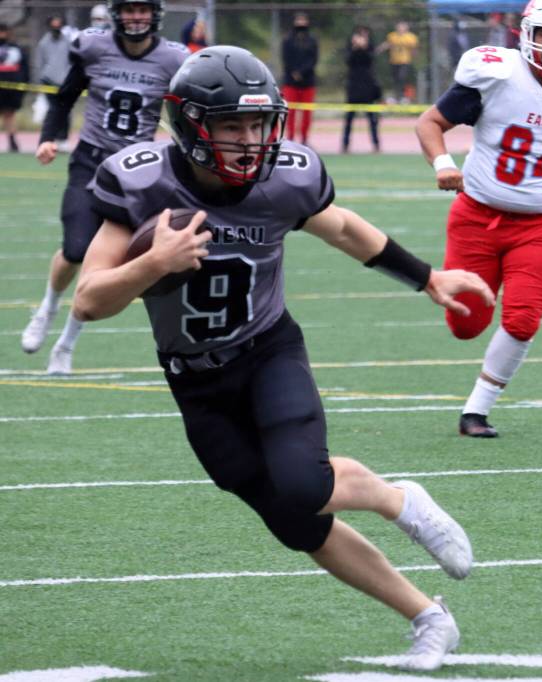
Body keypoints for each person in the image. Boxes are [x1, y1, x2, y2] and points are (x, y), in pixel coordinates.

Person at [74, 45, 494, 672]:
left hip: (268, 350)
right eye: (230, 127)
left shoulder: (286, 178)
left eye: (256, 125)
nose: (249, 142)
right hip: (193, 380)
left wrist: (427, 278)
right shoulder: (140, 180)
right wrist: (153, 264)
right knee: (294, 522)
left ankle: (397, 498)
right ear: (190, 124)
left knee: (304, 483)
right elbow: (87, 301)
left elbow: (344, 228)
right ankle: (429, 618)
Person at [415, 0, 542, 438]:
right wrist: (443, 165)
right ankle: (475, 390)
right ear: (526, 32)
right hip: (476, 216)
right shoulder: (495, 74)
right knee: (466, 324)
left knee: (524, 316)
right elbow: (430, 123)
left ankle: (476, 411)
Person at [21, 0, 188, 374]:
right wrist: (49, 137)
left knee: (107, 263)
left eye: (143, 9)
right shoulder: (93, 46)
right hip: (91, 161)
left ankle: (66, 345)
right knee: (76, 248)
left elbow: (186, 109)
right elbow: (65, 97)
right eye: (129, 9)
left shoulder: (173, 59)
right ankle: (47, 307)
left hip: (137, 173)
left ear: (155, 14)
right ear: (116, 13)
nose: (136, 17)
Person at [35, 16, 72, 151]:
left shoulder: (68, 41)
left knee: (65, 111)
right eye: (53, 26)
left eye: (58, 26)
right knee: (52, 110)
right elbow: (40, 63)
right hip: (49, 81)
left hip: (66, 82)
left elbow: (72, 61)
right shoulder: (43, 43)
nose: (56, 29)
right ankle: (50, 139)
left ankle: (64, 138)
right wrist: (41, 80)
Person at [281, 12, 318, 145]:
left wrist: (302, 72)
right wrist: (294, 72)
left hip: (308, 81)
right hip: (291, 81)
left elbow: (313, 59)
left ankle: (304, 139)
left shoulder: (312, 40)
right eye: (298, 20)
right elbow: (286, 59)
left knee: (307, 113)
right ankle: (290, 138)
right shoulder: (287, 40)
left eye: (303, 20)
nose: (301, 23)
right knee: (290, 112)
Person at [343, 26, 381, 154]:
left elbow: (370, 59)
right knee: (349, 118)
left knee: (372, 118)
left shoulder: (370, 48)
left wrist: (364, 48)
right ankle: (345, 144)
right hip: (353, 87)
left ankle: (376, 144)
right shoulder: (350, 49)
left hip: (367, 87)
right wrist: (355, 48)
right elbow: (348, 61)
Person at [0, 23, 28, 153]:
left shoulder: (16, 49)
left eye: (4, 31)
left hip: (11, 89)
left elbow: (24, 68)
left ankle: (12, 141)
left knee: (9, 114)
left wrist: (22, 86)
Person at [380, 21, 419, 103]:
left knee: (402, 77)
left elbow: (414, 49)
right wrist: (380, 49)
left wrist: (415, 57)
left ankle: (403, 96)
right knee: (395, 79)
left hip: (405, 61)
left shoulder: (411, 37)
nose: (400, 28)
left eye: (402, 27)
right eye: (399, 26)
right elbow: (387, 44)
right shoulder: (392, 36)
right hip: (394, 61)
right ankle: (396, 96)